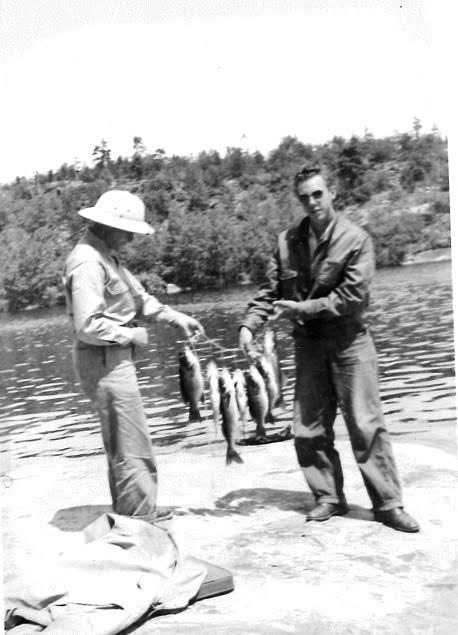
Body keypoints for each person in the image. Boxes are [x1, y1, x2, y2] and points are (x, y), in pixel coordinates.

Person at [239, 164, 419, 533]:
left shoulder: (357, 239)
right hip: (308, 346)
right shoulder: (286, 242)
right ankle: (328, 497)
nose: (312, 202)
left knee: (366, 425)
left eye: (318, 194)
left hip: (350, 342)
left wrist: (302, 309)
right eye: (304, 197)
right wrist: (248, 324)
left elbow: (352, 297)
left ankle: (388, 504)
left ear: (332, 193)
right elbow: (269, 292)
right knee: (308, 428)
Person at [63, 190, 204, 524]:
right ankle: (140, 522)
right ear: (111, 226)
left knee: (125, 440)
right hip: (104, 360)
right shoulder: (87, 261)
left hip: (113, 359)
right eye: (129, 231)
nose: (130, 238)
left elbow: (140, 300)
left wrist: (175, 317)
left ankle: (135, 510)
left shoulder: (107, 258)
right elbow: (87, 325)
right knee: (130, 443)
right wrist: (131, 335)